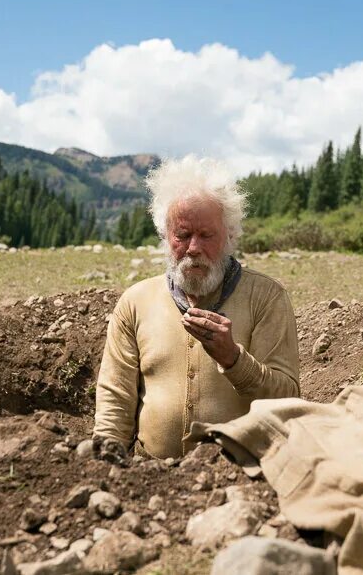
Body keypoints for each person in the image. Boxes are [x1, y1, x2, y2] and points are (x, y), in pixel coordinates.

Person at [93, 155, 300, 460]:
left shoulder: (266, 298)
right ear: (166, 235)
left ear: (229, 236)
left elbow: (288, 400)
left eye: (206, 235)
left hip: (239, 479)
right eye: (183, 234)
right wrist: (107, 459)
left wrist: (234, 360)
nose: (193, 248)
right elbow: (115, 397)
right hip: (148, 479)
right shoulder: (136, 302)